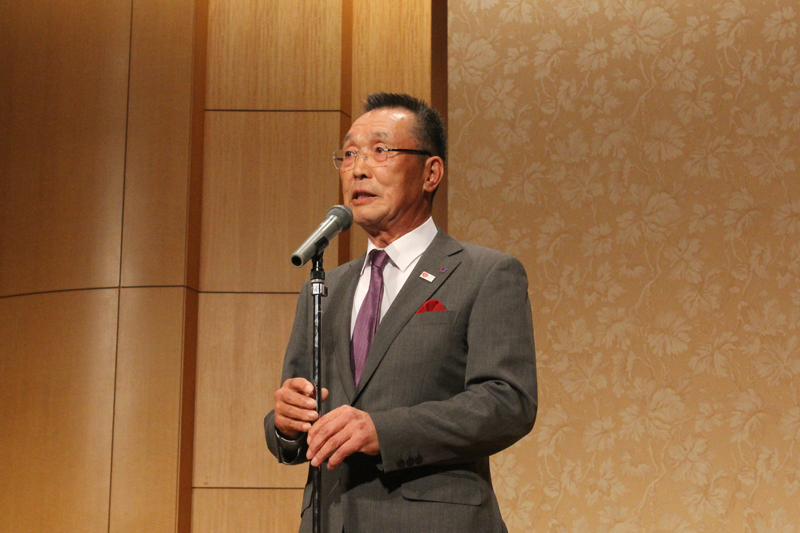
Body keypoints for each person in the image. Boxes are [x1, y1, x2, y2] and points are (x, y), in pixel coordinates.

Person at [264, 92, 537, 533]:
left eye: (380, 150)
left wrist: (384, 431)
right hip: (331, 520)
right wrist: (285, 425)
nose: (359, 168)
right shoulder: (325, 288)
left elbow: (508, 402)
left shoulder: (485, 273)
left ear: (431, 173)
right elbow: (295, 427)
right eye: (349, 154)